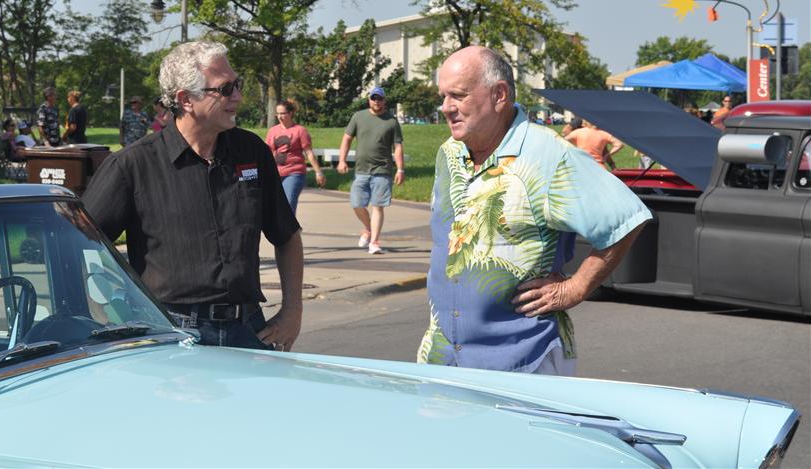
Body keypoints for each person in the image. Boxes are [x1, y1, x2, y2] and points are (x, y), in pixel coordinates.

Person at [418, 46, 651, 376]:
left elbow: (625, 218)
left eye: (457, 95)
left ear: (499, 95)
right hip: (442, 358)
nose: (446, 107)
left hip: (524, 360)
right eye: (443, 96)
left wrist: (574, 288)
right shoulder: (449, 153)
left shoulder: (548, 154)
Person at [83, 41, 303, 352]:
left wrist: (293, 311)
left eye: (237, 84)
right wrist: (107, 317)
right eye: (225, 89)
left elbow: (287, 234)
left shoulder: (252, 151)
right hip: (172, 335)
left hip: (249, 329)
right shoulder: (133, 165)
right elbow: (78, 243)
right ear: (186, 99)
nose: (238, 97)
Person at [337, 87, 404, 255]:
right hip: (361, 170)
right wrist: (342, 160)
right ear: (369, 100)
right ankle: (368, 229)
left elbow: (397, 146)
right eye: (374, 98)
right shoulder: (358, 117)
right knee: (357, 204)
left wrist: (400, 169)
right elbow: (347, 139)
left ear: (384, 101)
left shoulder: (391, 121)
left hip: (382, 170)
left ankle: (374, 242)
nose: (377, 101)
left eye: (379, 99)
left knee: (378, 206)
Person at [265, 99, 326, 212]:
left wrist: (318, 172)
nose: (280, 117)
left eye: (283, 113)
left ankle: (289, 224)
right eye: (278, 113)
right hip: (276, 173)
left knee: (288, 204)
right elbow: (267, 153)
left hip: (294, 172)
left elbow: (309, 152)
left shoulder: (300, 130)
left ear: (291, 113)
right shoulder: (273, 131)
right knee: (275, 206)